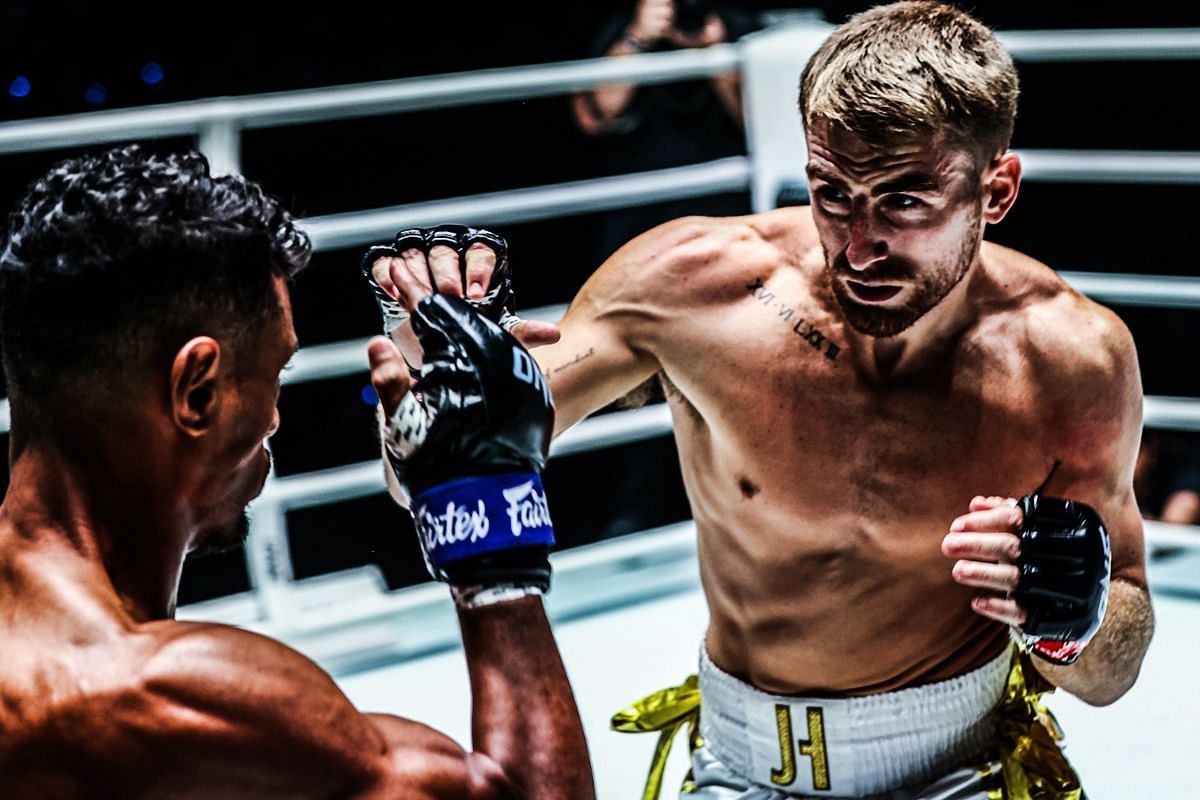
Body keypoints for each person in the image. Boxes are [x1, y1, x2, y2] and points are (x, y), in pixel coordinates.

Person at [369, 3, 1154, 798]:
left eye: (905, 202)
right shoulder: (694, 287)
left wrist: (1074, 623)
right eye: (833, 193)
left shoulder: (1070, 361)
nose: (858, 245)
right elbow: (427, 479)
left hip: (964, 771)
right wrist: (436, 384)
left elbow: (1111, 670)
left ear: (996, 192)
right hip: (737, 770)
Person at [0, 146, 595, 799]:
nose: (276, 419)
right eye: (274, 374)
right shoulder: (157, 694)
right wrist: (487, 503)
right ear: (196, 394)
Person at [571, 0, 763, 258]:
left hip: (727, 212)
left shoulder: (738, 22)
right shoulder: (626, 19)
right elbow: (595, 115)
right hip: (642, 216)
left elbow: (765, 127)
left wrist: (715, 54)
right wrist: (637, 39)